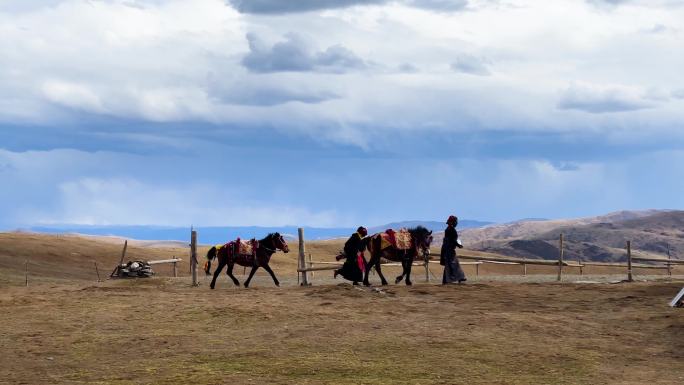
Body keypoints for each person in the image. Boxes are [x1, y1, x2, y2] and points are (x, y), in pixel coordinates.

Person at [441, 215, 466, 284]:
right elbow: (454, 240)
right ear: (452, 222)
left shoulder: (447, 229)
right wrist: (459, 245)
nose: (456, 223)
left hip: (446, 249)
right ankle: (460, 277)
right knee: (453, 264)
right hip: (449, 250)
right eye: (455, 222)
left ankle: (446, 280)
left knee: (449, 264)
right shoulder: (452, 230)